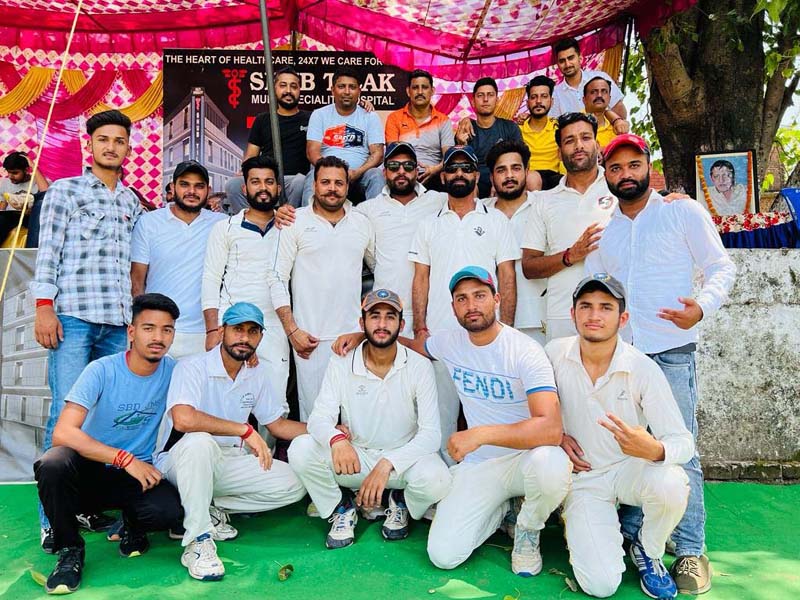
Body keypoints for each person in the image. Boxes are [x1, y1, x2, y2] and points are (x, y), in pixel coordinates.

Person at [585, 134, 737, 595]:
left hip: (671, 351)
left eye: (633, 165)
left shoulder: (681, 211)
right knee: (628, 447)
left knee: (678, 449)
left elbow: (721, 267)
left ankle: (690, 550)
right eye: (615, 168)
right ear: (606, 175)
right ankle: (637, 541)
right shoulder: (607, 230)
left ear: (648, 169)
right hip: (623, 358)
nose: (624, 174)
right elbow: (600, 290)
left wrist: (702, 308)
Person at [396, 266, 569, 575]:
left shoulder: (525, 350)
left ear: (496, 299)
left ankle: (528, 529)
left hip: (526, 460)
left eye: (479, 296)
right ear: (453, 308)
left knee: (552, 464)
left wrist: (481, 434)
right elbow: (417, 346)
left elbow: (551, 428)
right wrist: (363, 335)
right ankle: (503, 511)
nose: (471, 305)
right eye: (462, 299)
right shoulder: (450, 342)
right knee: (443, 555)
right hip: (480, 466)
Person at [31, 109, 144, 549]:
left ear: (128, 148)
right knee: (66, 411)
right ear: (90, 145)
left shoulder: (131, 200)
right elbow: (48, 254)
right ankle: (51, 517)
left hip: (117, 323)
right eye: (104, 140)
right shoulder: (65, 191)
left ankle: (84, 503)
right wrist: (45, 307)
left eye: (119, 140)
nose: (111, 146)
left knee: (103, 416)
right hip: (75, 317)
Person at [547, 275, 693, 599]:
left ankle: (648, 550)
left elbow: (683, 441)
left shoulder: (642, 368)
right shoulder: (553, 355)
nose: (594, 315)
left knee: (671, 482)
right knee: (600, 586)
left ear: (622, 318)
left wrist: (653, 449)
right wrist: (556, 435)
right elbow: (532, 411)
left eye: (605, 307)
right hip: (583, 477)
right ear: (573, 314)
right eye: (585, 306)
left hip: (630, 469)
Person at [33, 293, 184, 595]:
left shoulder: (175, 371)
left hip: (137, 476)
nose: (158, 337)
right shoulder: (101, 370)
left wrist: (248, 359)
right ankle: (70, 551)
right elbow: (63, 432)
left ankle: (133, 523)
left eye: (166, 330)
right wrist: (124, 458)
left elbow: (214, 368)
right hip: (91, 471)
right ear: (131, 332)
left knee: (170, 512)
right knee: (54, 462)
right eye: (148, 328)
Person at [154, 302, 307, 581]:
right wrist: (245, 431)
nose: (244, 338)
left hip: (228, 461)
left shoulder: (256, 374)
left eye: (252, 331)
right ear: (222, 331)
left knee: (293, 484)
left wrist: (328, 432)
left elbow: (277, 424)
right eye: (237, 329)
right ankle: (198, 541)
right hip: (181, 458)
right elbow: (183, 420)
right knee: (200, 442)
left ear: (260, 337)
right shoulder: (192, 366)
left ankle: (210, 506)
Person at [289, 289, 451, 548]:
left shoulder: (419, 366)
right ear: (361, 322)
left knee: (438, 481)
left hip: (401, 462)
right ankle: (340, 508)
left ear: (402, 323)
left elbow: (431, 434)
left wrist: (388, 463)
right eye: (374, 316)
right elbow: (319, 418)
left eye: (390, 317)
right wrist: (337, 440)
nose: (382, 324)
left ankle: (401, 501)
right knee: (300, 449)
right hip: (356, 459)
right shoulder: (342, 362)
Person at [408, 145, 519, 460]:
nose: (459, 174)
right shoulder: (429, 225)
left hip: (486, 335)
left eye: (466, 168)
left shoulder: (497, 221)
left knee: (492, 416)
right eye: (452, 169)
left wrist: (505, 332)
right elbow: (420, 279)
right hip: (441, 336)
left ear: (476, 175)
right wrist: (420, 329)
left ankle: (496, 482)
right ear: (443, 176)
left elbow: (507, 277)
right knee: (440, 417)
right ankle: (442, 484)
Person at [276, 141, 445, 337]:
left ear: (417, 171)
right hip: (385, 312)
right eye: (393, 166)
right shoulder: (366, 211)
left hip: (430, 312)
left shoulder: (439, 201)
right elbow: (372, 260)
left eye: (408, 166)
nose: (401, 171)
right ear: (384, 172)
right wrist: (279, 214)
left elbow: (469, 200)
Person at [269, 155, 375, 420]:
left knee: (355, 419)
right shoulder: (294, 221)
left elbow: (380, 272)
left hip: (351, 338)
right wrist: (292, 330)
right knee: (316, 419)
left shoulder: (362, 223)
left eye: (339, 183)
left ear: (347, 187)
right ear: (314, 185)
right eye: (325, 182)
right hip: (309, 339)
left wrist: (365, 328)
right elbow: (276, 278)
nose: (332, 188)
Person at [202, 155, 290, 400]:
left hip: (274, 324)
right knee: (226, 397)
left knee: (274, 400)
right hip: (232, 322)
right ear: (245, 188)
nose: (263, 188)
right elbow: (211, 278)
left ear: (278, 188)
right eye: (255, 182)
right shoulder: (226, 228)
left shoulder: (290, 227)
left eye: (269, 182)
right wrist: (212, 330)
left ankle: (265, 441)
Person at [521, 112, 614, 341]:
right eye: (569, 140)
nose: (578, 146)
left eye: (585, 137)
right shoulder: (544, 201)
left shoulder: (619, 190)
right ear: (559, 152)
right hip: (562, 317)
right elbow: (529, 267)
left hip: (614, 314)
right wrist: (570, 255)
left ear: (597, 144)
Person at [131, 161, 225, 358]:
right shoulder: (149, 223)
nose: (192, 191)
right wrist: (140, 327)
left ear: (208, 190)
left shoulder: (221, 224)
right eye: (184, 184)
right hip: (158, 332)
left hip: (206, 334)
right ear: (172, 188)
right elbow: (137, 280)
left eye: (199, 186)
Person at [484, 140, 547, 344]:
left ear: (527, 171)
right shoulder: (480, 211)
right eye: (501, 170)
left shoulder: (545, 206)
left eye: (516, 168)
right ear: (492, 177)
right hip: (491, 323)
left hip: (540, 320)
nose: (509, 175)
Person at [225, 67, 312, 211]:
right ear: (274, 89)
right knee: (233, 185)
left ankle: (289, 224)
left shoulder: (311, 118)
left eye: (293, 86)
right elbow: (251, 155)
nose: (288, 91)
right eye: (283, 85)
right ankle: (250, 225)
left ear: (299, 91)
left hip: (294, 180)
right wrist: (245, 172)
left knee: (301, 181)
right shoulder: (262, 119)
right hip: (265, 178)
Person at [303, 67, 385, 204]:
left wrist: (357, 172)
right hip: (327, 174)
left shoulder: (370, 116)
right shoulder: (319, 114)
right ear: (332, 90)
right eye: (341, 86)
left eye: (352, 87)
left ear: (359, 90)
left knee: (376, 175)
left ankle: (377, 221)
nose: (347, 92)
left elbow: (378, 154)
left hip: (359, 175)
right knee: (312, 176)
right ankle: (307, 222)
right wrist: (333, 172)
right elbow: (312, 152)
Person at [454, 77, 527, 198]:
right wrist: (462, 144)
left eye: (490, 95)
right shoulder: (465, 129)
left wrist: (497, 180)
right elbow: (462, 166)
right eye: (480, 95)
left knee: (532, 178)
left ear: (497, 100)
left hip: (505, 175)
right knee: (468, 186)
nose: (485, 99)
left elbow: (519, 159)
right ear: (473, 102)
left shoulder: (510, 127)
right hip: (475, 180)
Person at [384, 69, 454, 192]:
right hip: (403, 172)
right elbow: (393, 154)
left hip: (434, 174)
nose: (420, 92)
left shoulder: (443, 120)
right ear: (408, 91)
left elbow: (448, 156)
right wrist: (408, 170)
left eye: (424, 87)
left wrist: (435, 169)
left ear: (432, 91)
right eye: (415, 87)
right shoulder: (394, 118)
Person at [549, 37, 627, 120]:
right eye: (562, 61)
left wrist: (619, 125)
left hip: (607, 132)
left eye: (571, 58)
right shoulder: (555, 94)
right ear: (558, 65)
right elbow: (554, 126)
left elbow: (619, 109)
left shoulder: (601, 78)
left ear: (580, 59)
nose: (567, 64)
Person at [519, 76, 563, 191]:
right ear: (528, 102)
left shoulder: (560, 127)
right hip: (527, 180)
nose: (538, 101)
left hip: (556, 179)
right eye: (534, 97)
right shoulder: (517, 129)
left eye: (544, 96)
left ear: (551, 101)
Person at [582, 76, 627, 150]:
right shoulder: (573, 124)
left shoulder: (617, 131)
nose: (599, 95)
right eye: (593, 92)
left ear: (609, 99)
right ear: (584, 100)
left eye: (604, 91)